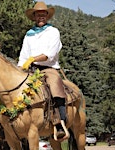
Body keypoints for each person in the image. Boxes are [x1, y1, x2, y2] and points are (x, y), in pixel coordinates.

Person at [17, 1, 69, 141]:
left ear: (47, 16)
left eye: (43, 14)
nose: (41, 17)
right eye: (38, 14)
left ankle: (60, 123)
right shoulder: (29, 35)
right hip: (30, 69)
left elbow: (50, 54)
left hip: (48, 67)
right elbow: (23, 55)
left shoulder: (53, 32)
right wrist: (21, 67)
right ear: (34, 16)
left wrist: (32, 59)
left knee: (55, 86)